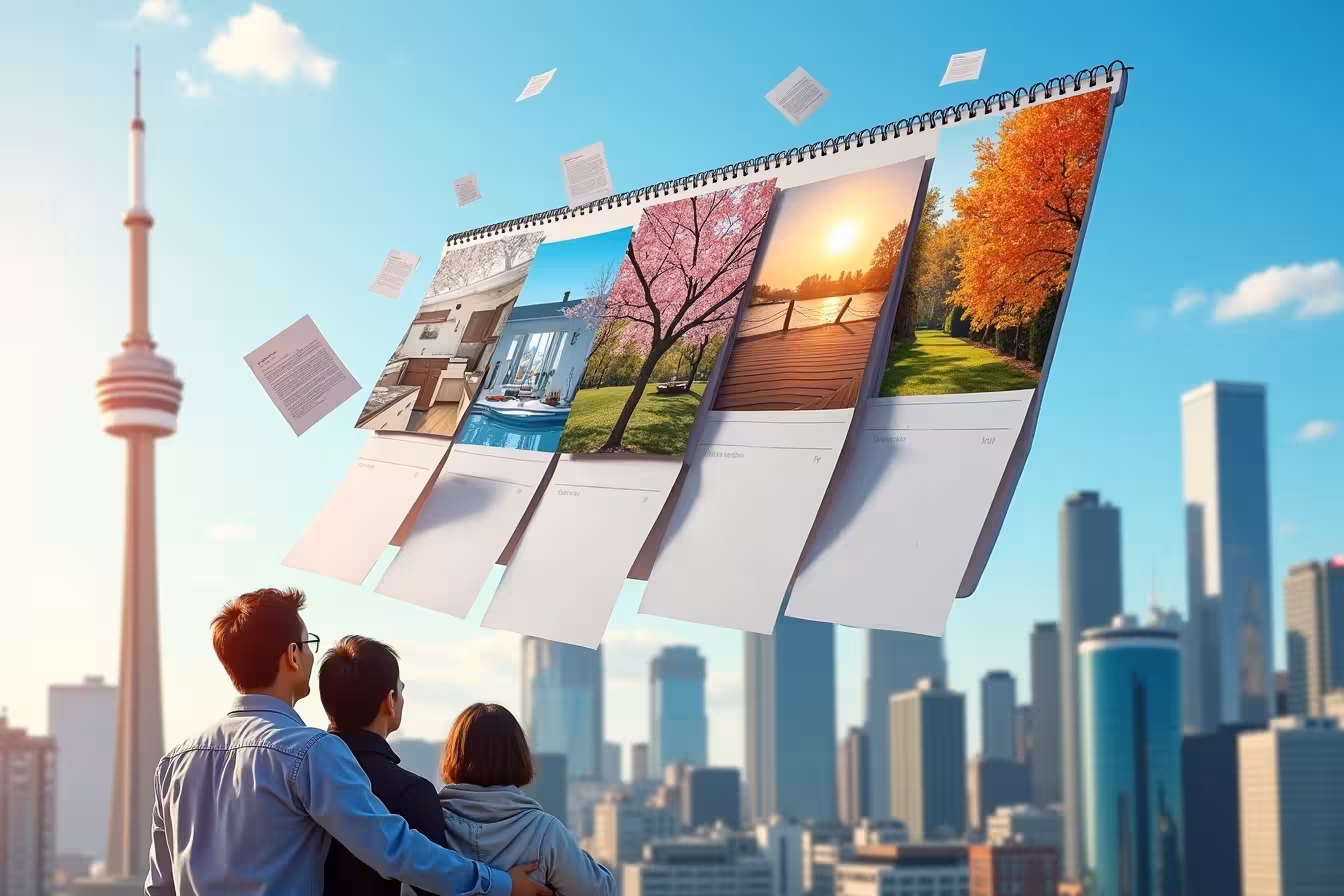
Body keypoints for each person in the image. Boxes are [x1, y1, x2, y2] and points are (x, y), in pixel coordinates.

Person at [147, 587, 550, 896]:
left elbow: (160, 886)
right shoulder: (307, 752)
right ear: (292, 655)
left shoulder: (175, 762)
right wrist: (501, 884)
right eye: (309, 643)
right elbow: (393, 849)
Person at [438, 704, 616, 896]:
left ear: (453, 754)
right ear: (519, 756)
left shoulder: (429, 822)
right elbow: (600, 891)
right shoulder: (545, 831)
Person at [319, 635, 445, 896]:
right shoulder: (411, 791)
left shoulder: (295, 770)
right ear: (390, 701)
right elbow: (440, 884)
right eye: (401, 689)